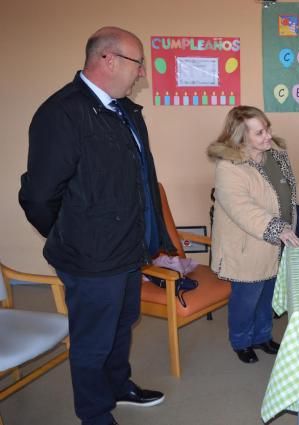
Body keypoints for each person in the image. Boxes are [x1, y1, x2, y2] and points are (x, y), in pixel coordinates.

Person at [19, 27, 173, 425]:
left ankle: (118, 386)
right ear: (109, 59)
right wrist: (74, 234)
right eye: (138, 64)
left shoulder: (125, 111)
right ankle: (94, 413)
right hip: (90, 257)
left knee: (122, 325)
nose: (142, 74)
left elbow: (138, 179)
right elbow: (38, 196)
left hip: (126, 249)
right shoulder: (62, 113)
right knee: (92, 340)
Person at [208, 105, 299, 364]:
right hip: (248, 246)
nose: (268, 136)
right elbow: (242, 209)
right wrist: (278, 228)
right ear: (241, 137)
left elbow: (291, 190)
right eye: (259, 133)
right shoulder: (229, 167)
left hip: (278, 243)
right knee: (247, 299)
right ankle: (241, 340)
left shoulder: (276, 156)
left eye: (267, 128)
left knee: (268, 294)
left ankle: (263, 336)